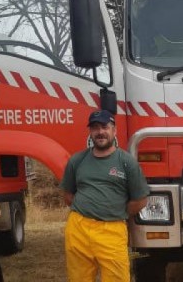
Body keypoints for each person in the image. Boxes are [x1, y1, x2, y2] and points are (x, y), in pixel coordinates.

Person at [60, 109, 150, 282]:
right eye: (95, 128)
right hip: (78, 228)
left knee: (117, 278)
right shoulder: (77, 160)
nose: (100, 132)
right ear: (90, 132)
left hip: (112, 230)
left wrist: (115, 211)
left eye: (104, 127)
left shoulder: (127, 162)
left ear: (113, 130)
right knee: (78, 278)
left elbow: (140, 200)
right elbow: (68, 196)